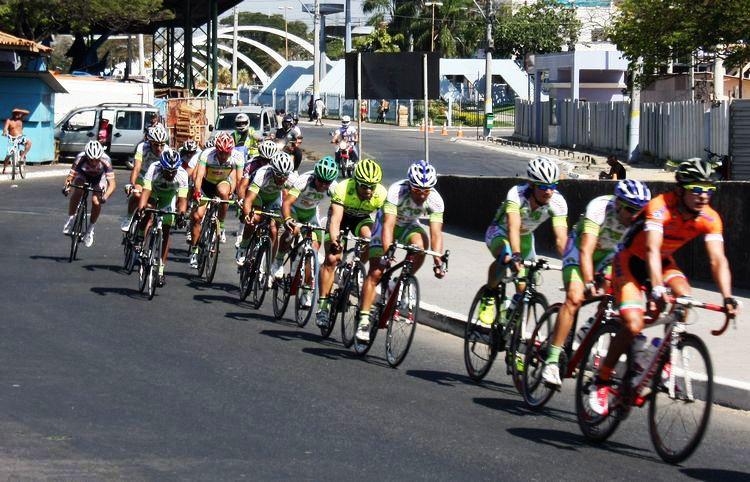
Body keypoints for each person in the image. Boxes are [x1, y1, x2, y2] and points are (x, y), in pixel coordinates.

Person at [588, 159, 738, 416]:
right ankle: (601, 380)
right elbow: (651, 249)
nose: (703, 196)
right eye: (696, 189)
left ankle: (659, 354)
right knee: (633, 324)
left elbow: (717, 259)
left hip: (664, 262)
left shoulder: (710, 218)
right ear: (680, 190)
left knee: (684, 297)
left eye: (709, 190)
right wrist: (656, 288)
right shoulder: (660, 207)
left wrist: (727, 297)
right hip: (631, 261)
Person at [541, 180, 652, 387]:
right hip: (580, 249)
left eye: (640, 210)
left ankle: (589, 328)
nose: (635, 215)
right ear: (618, 203)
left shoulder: (642, 220)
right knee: (575, 297)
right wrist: (590, 280)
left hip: (611, 255)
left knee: (616, 301)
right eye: (630, 209)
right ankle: (552, 361)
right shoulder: (600, 207)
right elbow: (586, 250)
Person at [355, 160, 446, 342]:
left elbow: (436, 233)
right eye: (417, 190)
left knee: (422, 246)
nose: (422, 195)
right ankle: (364, 319)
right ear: (410, 185)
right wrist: (388, 251)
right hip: (386, 225)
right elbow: (388, 225)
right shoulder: (397, 191)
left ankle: (400, 281)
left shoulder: (436, 200)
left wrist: (438, 260)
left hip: (408, 225)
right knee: (376, 271)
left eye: (426, 190)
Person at [478, 156, 569, 326]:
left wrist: (570, 263)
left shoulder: (558, 203)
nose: (548, 191)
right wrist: (516, 255)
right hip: (501, 231)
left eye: (552, 186)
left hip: (526, 237)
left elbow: (561, 239)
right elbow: (513, 226)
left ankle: (516, 340)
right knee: (506, 256)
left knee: (525, 291)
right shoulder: (517, 194)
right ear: (532, 184)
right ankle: (489, 294)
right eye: (543, 186)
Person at [316, 159, 387, 326]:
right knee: (333, 258)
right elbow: (335, 220)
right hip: (340, 218)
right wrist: (335, 240)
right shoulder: (343, 188)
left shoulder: (382, 194)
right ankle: (323, 306)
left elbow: (383, 225)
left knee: (371, 238)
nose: (369, 190)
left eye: (372, 186)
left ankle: (355, 269)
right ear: (356, 182)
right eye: (364, 186)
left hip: (361, 219)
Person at [277, 157, 340, 306]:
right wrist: (287, 220)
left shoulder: (333, 187)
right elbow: (287, 202)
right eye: (321, 181)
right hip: (294, 210)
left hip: (311, 213)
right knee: (292, 231)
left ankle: (306, 290)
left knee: (313, 250)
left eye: (327, 183)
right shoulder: (304, 180)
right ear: (315, 177)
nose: (323, 185)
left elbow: (337, 209)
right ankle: (278, 260)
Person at [189, 132, 244, 268]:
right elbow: (199, 176)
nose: (224, 156)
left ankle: (222, 224)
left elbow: (239, 180)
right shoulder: (207, 154)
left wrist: (239, 198)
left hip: (223, 182)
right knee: (197, 216)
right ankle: (195, 250)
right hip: (206, 185)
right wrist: (196, 192)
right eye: (221, 153)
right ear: (216, 149)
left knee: (224, 194)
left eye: (227, 153)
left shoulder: (238, 157)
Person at [136, 148, 189, 287]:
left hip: (168, 197)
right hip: (154, 192)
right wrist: (141, 208)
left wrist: (182, 214)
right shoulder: (154, 168)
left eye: (173, 171)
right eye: (168, 171)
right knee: (148, 211)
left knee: (166, 230)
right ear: (162, 167)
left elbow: (182, 200)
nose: (171, 174)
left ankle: (160, 270)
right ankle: (141, 237)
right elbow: (146, 191)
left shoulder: (182, 174)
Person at [236, 151, 297, 268]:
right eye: (279, 175)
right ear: (273, 171)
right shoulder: (262, 174)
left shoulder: (292, 178)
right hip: (258, 197)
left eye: (285, 175)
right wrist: (248, 215)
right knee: (254, 219)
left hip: (274, 200)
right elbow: (249, 200)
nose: (282, 178)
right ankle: (243, 247)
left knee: (274, 231)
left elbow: (295, 200)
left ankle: (268, 267)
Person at [62, 140, 116, 248]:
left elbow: (113, 184)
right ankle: (71, 220)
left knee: (96, 201)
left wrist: (105, 197)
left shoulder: (106, 160)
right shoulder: (80, 158)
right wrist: (66, 187)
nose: (94, 162)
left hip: (99, 178)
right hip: (83, 175)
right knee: (78, 189)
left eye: (97, 159)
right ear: (87, 156)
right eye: (91, 160)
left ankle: (90, 230)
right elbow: (70, 177)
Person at [122, 125, 169, 231]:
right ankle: (129, 217)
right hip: (143, 175)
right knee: (136, 193)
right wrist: (133, 184)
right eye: (156, 145)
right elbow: (137, 167)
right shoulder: (142, 147)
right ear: (150, 142)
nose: (159, 148)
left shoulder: (166, 151)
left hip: (156, 179)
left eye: (162, 145)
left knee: (150, 207)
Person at [3, 107, 32, 172]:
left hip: (20, 138)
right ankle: (4, 168)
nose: (17, 115)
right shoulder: (9, 120)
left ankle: (22, 156)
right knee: (8, 155)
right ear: (13, 114)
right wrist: (4, 132)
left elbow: (28, 112)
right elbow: (5, 128)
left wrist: (19, 111)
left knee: (29, 142)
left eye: (18, 114)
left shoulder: (20, 119)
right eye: (15, 113)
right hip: (12, 139)